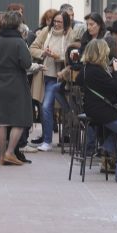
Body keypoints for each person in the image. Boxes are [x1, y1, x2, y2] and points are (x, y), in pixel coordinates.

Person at [76, 39, 117, 183]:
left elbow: (81, 82)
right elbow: (115, 86)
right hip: (103, 110)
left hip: (98, 107)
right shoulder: (97, 70)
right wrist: (116, 71)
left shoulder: (86, 68)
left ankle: (110, 145)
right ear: (100, 52)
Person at [0, 11, 33, 165]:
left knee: (0, 121)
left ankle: (0, 156)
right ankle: (10, 152)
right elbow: (26, 64)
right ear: (17, 25)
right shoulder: (19, 42)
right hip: (17, 84)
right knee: (19, 120)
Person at [30, 10, 75, 151]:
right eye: (55, 21)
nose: (56, 24)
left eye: (60, 22)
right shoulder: (45, 31)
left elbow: (71, 56)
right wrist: (43, 53)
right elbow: (32, 48)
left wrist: (57, 56)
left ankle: (48, 141)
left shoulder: (70, 34)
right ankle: (46, 137)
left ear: (66, 23)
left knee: (46, 107)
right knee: (44, 107)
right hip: (43, 75)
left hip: (59, 77)